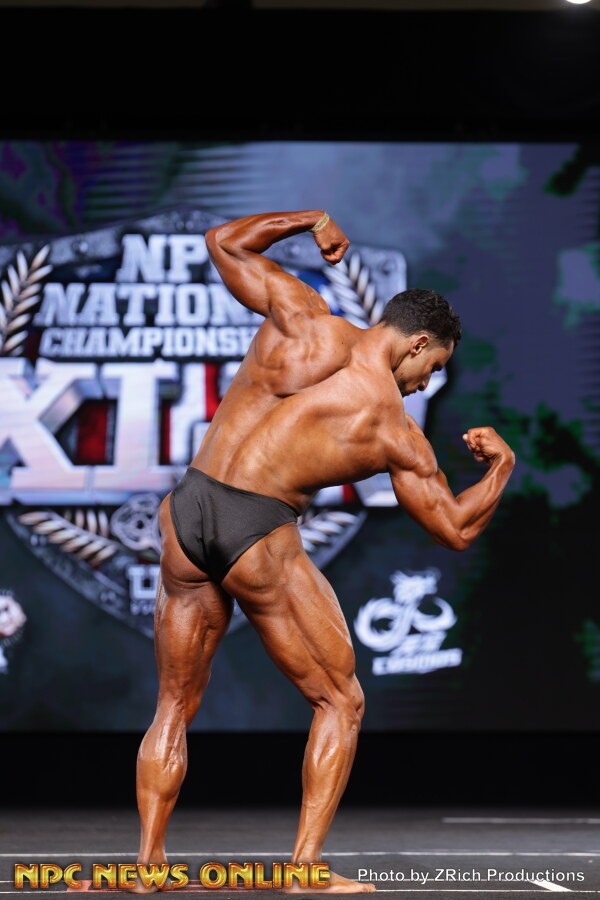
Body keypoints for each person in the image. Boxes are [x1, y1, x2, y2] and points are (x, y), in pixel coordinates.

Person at [131, 211, 515, 893]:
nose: (426, 384)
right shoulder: (393, 429)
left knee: (173, 704)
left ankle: (146, 867)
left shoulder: (301, 319)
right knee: (341, 700)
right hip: (255, 529)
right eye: (432, 368)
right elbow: (455, 529)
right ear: (416, 343)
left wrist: (311, 220)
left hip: (187, 510)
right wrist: (502, 466)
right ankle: (305, 871)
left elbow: (222, 242)